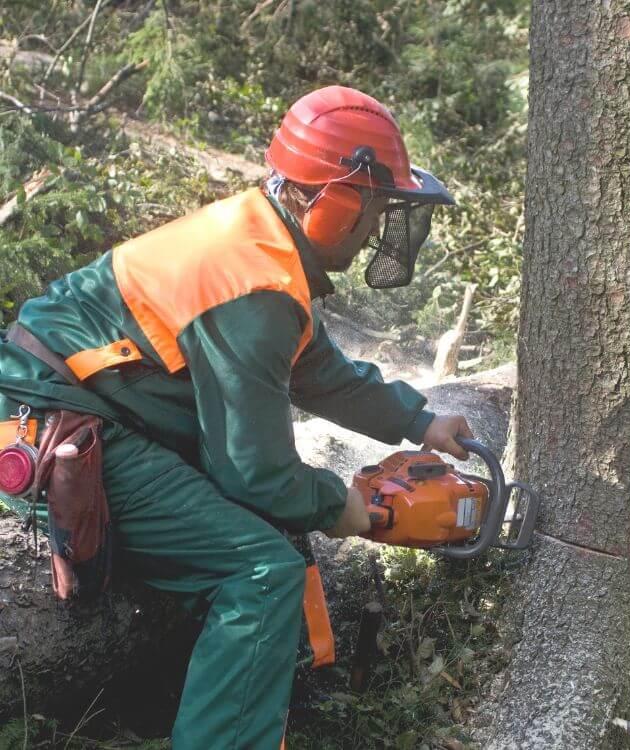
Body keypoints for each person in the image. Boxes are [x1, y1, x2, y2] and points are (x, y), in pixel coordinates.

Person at [0, 85, 473, 749]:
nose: (374, 233)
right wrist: (349, 508)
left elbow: (320, 373)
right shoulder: (255, 282)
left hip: (106, 405)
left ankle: (268, 702)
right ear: (334, 203)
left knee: (270, 535)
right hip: (61, 422)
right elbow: (255, 472)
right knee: (259, 571)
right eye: (373, 212)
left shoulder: (264, 245)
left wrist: (423, 422)